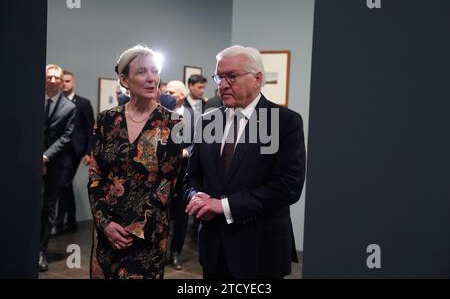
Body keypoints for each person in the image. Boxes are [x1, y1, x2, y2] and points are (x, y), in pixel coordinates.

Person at [184, 45, 306, 279]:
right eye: (219, 77)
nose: (223, 84)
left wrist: (224, 206)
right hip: (213, 251)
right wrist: (196, 198)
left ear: (257, 79)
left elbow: (288, 186)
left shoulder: (284, 122)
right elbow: (192, 176)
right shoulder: (207, 121)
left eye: (232, 76)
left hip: (260, 251)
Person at [88, 45, 182, 279]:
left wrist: (134, 229)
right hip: (106, 231)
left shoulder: (173, 123)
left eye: (154, 71)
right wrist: (105, 223)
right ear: (124, 79)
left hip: (147, 236)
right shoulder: (106, 120)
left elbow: (168, 183)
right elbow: (95, 177)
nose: (151, 78)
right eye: (142, 72)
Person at [41, 64, 76, 271]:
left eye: (57, 78)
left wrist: (45, 156)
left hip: (54, 163)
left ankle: (41, 251)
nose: (53, 81)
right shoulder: (32, 99)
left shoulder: (69, 107)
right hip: (28, 163)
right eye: (49, 77)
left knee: (48, 208)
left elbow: (66, 137)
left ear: (62, 81)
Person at [52, 70, 95, 235]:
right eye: (62, 81)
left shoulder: (83, 103)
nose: (64, 83)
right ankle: (70, 220)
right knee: (63, 185)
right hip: (57, 149)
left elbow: (91, 129)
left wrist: (88, 152)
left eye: (67, 81)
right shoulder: (55, 102)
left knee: (62, 184)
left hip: (75, 151)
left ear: (73, 83)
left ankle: (59, 222)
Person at [164, 80, 194, 270]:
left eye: (172, 92)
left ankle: (175, 253)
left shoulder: (194, 116)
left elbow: (198, 143)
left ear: (182, 95)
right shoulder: (159, 114)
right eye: (166, 91)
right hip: (163, 174)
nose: (167, 94)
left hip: (184, 173)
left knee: (182, 217)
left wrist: (186, 152)